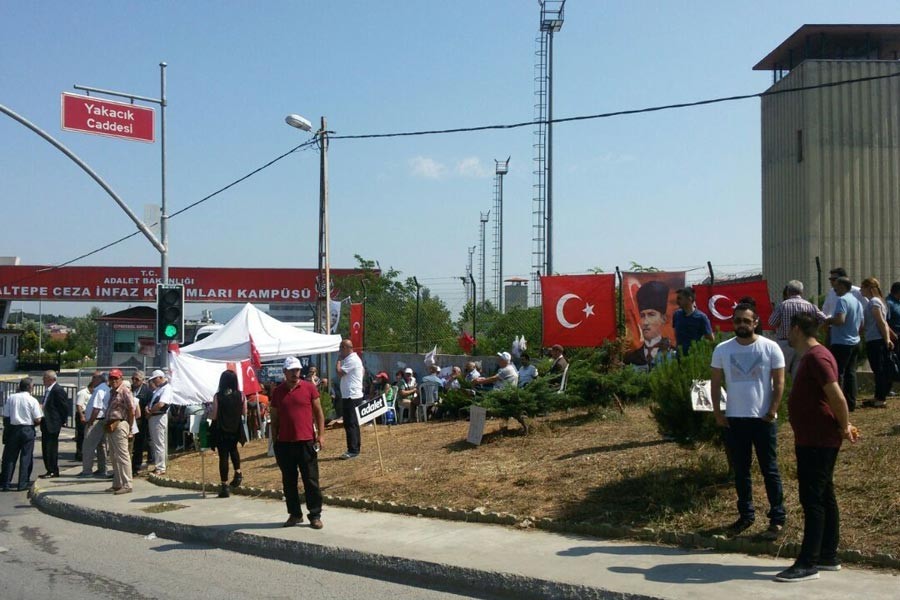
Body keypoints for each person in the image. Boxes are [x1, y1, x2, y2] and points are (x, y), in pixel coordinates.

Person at [774, 313, 859, 583]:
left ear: (797, 329)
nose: (786, 332)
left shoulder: (816, 357)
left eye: (788, 328)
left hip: (818, 440)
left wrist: (845, 426)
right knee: (823, 495)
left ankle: (808, 562)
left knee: (812, 499)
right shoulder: (813, 356)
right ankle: (828, 555)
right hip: (813, 438)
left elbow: (837, 395)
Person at [711, 302, 787, 539]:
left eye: (746, 320)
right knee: (741, 471)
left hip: (763, 419)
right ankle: (746, 515)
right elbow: (715, 383)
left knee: (770, 470)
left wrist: (772, 410)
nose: (741, 324)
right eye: (737, 320)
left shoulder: (770, 347)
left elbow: (780, 382)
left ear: (755, 322)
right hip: (735, 419)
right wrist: (718, 413)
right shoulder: (722, 349)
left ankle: (777, 518)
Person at [270, 356, 324, 529]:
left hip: (306, 441)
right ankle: (295, 514)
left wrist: (321, 435)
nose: (295, 373)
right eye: (292, 370)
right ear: (284, 372)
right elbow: (275, 418)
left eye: (298, 370)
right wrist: (275, 442)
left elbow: (319, 413)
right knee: (289, 481)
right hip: (285, 443)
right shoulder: (278, 392)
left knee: (311, 480)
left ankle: (315, 515)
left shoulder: (309, 388)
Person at [768, 280, 827, 378]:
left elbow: (771, 322)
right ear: (801, 292)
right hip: (803, 343)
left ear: (788, 291)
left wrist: (780, 324)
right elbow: (823, 319)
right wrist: (813, 329)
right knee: (799, 375)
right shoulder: (809, 305)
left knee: (780, 375)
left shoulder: (783, 305)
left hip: (784, 343)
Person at [824, 277, 864, 411]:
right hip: (855, 341)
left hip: (841, 342)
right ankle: (851, 403)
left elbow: (840, 320)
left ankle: (838, 404)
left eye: (836, 286)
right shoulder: (857, 301)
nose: (834, 288)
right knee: (851, 373)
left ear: (842, 286)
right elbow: (862, 324)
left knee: (838, 373)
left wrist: (829, 320)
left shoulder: (842, 300)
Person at [1, 378, 43, 492]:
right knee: (26, 457)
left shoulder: (11, 398)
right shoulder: (32, 400)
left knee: (9, 457)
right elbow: (38, 418)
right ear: (30, 387)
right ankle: (22, 483)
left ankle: (5, 482)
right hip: (27, 429)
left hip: (13, 428)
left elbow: (6, 415)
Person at [210, 369, 247, 498]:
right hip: (236, 428)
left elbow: (214, 416)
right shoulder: (241, 395)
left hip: (221, 429)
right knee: (234, 450)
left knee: (223, 456)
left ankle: (224, 486)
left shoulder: (218, 396)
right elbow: (244, 412)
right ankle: (238, 473)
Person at [860, 277, 895, 408]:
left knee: (879, 369)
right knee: (879, 369)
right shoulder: (878, 301)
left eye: (863, 287)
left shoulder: (874, 302)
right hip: (874, 339)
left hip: (876, 340)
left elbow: (881, 322)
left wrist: (887, 339)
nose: (861, 290)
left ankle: (880, 398)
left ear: (869, 288)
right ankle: (878, 396)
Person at [624, 281, 673, 369]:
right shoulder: (632, 358)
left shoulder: (673, 354)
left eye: (651, 314)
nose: (645, 322)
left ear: (663, 318)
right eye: (642, 316)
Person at [104, 369, 135, 495]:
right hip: (111, 425)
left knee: (123, 455)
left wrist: (130, 427)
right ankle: (117, 483)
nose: (114, 381)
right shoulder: (112, 392)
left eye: (116, 378)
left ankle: (127, 484)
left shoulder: (124, 391)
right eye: (111, 378)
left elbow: (131, 409)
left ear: (121, 378)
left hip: (120, 423)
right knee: (113, 456)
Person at [38, 370, 70, 479]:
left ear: (51, 379)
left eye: (45, 378)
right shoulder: (48, 390)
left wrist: (62, 420)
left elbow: (64, 407)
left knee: (51, 448)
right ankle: (49, 469)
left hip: (53, 423)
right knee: (45, 448)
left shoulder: (57, 390)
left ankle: (53, 470)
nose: (43, 380)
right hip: (46, 423)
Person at [336, 339, 364, 459]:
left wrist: (338, 361)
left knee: (350, 423)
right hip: (351, 395)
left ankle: (353, 449)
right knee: (353, 423)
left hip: (351, 396)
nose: (340, 350)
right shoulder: (352, 359)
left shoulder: (351, 359)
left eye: (341, 348)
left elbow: (339, 372)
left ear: (348, 348)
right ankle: (355, 447)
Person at [80, 371, 109, 477]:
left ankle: (87, 471)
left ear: (99, 378)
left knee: (88, 446)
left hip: (96, 420)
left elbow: (97, 408)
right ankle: (102, 469)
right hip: (101, 420)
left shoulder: (99, 390)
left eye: (94, 377)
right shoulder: (104, 388)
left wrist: (91, 421)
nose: (92, 379)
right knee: (101, 446)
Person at [672, 287, 715, 355]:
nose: (677, 301)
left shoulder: (701, 317)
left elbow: (711, 339)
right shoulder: (677, 315)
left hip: (694, 358)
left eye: (680, 298)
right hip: (679, 357)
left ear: (689, 299)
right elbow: (676, 333)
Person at [147, 369, 171, 475]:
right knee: (157, 442)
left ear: (161, 377)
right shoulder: (159, 389)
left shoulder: (167, 388)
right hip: (154, 416)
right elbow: (152, 402)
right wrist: (148, 408)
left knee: (159, 443)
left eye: (155, 379)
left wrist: (150, 411)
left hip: (159, 416)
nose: (154, 382)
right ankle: (160, 464)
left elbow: (161, 404)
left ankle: (161, 467)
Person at [130, 371, 154, 474]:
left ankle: (136, 466)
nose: (134, 381)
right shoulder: (129, 389)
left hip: (142, 421)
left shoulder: (147, 391)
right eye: (133, 379)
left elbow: (149, 404)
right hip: (131, 420)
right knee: (130, 445)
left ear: (143, 380)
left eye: (137, 379)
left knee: (139, 444)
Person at [74, 379, 94, 462]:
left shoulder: (91, 393)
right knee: (81, 435)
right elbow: (79, 405)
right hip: (82, 414)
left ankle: (84, 452)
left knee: (86, 435)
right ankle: (80, 454)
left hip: (88, 415)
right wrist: (82, 416)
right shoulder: (83, 393)